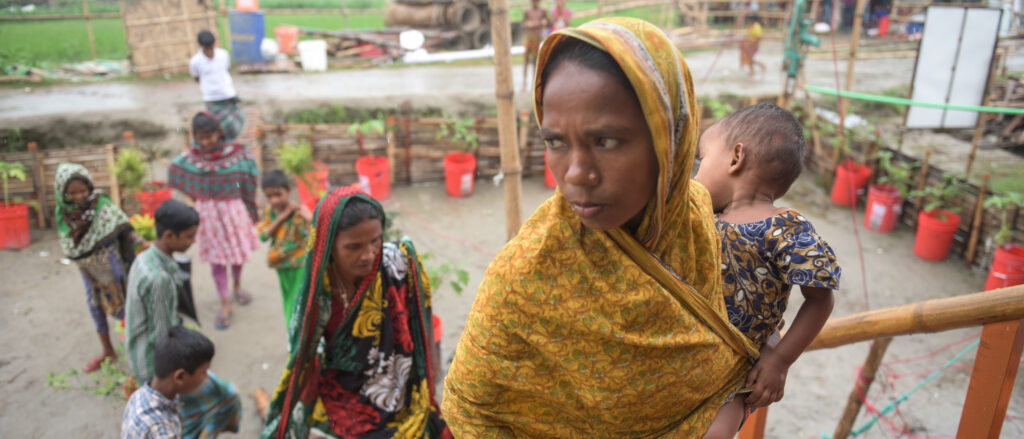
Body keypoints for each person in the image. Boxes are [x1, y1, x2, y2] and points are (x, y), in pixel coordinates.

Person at [443, 17, 759, 436]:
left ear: (670, 138)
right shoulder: (526, 275)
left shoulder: (697, 219)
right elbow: (472, 411)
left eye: (606, 141)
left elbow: (721, 361)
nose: (576, 174)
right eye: (555, 141)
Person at [694, 103, 841, 437]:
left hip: (736, 372)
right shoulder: (699, 218)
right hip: (686, 360)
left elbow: (820, 299)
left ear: (736, 158)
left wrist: (780, 360)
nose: (697, 173)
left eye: (702, 159)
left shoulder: (785, 226)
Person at [261, 187, 450, 439]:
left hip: (400, 384)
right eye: (353, 246)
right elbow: (302, 360)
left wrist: (430, 371)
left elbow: (421, 314)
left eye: (375, 240)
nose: (369, 254)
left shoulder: (397, 262)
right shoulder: (319, 293)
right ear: (327, 245)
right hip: (344, 392)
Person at [125, 200, 242, 438]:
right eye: (189, 237)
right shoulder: (159, 279)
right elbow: (162, 336)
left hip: (145, 354)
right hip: (155, 365)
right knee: (221, 395)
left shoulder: (145, 258)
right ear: (169, 235)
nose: (193, 241)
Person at [168, 112, 260, 330]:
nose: (206, 142)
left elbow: (248, 179)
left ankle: (237, 287)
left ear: (218, 132)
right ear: (195, 136)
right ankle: (226, 302)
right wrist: (198, 195)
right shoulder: (191, 159)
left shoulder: (238, 154)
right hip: (208, 215)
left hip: (234, 211)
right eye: (201, 137)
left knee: (237, 255)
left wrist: (246, 203)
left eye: (210, 136)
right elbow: (175, 172)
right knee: (217, 260)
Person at [55, 162, 145, 372]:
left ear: (90, 188)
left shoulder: (101, 204)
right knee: (95, 306)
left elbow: (123, 226)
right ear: (62, 192)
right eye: (72, 193)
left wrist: (143, 241)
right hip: (87, 270)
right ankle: (108, 350)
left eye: (83, 191)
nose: (78, 196)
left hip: (111, 266)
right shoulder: (63, 214)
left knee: (122, 305)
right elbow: (70, 245)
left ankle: (137, 351)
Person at [121, 325, 215, 439]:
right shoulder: (162, 431)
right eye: (203, 372)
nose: (206, 378)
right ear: (180, 377)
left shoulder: (140, 394)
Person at [256, 170, 312, 329]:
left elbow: (311, 233)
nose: (274, 200)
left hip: (299, 264)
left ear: (288, 190)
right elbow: (263, 236)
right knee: (288, 298)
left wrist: (308, 217)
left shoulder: (298, 213)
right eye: (269, 196)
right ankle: (293, 331)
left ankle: (294, 330)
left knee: (297, 301)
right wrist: (282, 217)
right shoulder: (271, 212)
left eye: (278, 194)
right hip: (281, 265)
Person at [189, 30, 244, 141]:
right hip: (212, 97)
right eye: (206, 48)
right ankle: (221, 146)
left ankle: (232, 145)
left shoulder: (223, 54)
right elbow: (196, 77)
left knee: (235, 124)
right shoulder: (195, 61)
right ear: (201, 46)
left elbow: (226, 69)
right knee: (216, 127)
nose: (209, 51)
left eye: (211, 47)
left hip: (228, 94)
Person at [521, 0, 550, 92]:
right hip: (528, 38)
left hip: (537, 38)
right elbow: (522, 24)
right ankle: (524, 84)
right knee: (526, 60)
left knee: (535, 61)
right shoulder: (527, 11)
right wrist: (527, 24)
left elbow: (548, 23)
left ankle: (534, 84)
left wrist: (541, 23)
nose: (534, 2)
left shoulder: (542, 11)